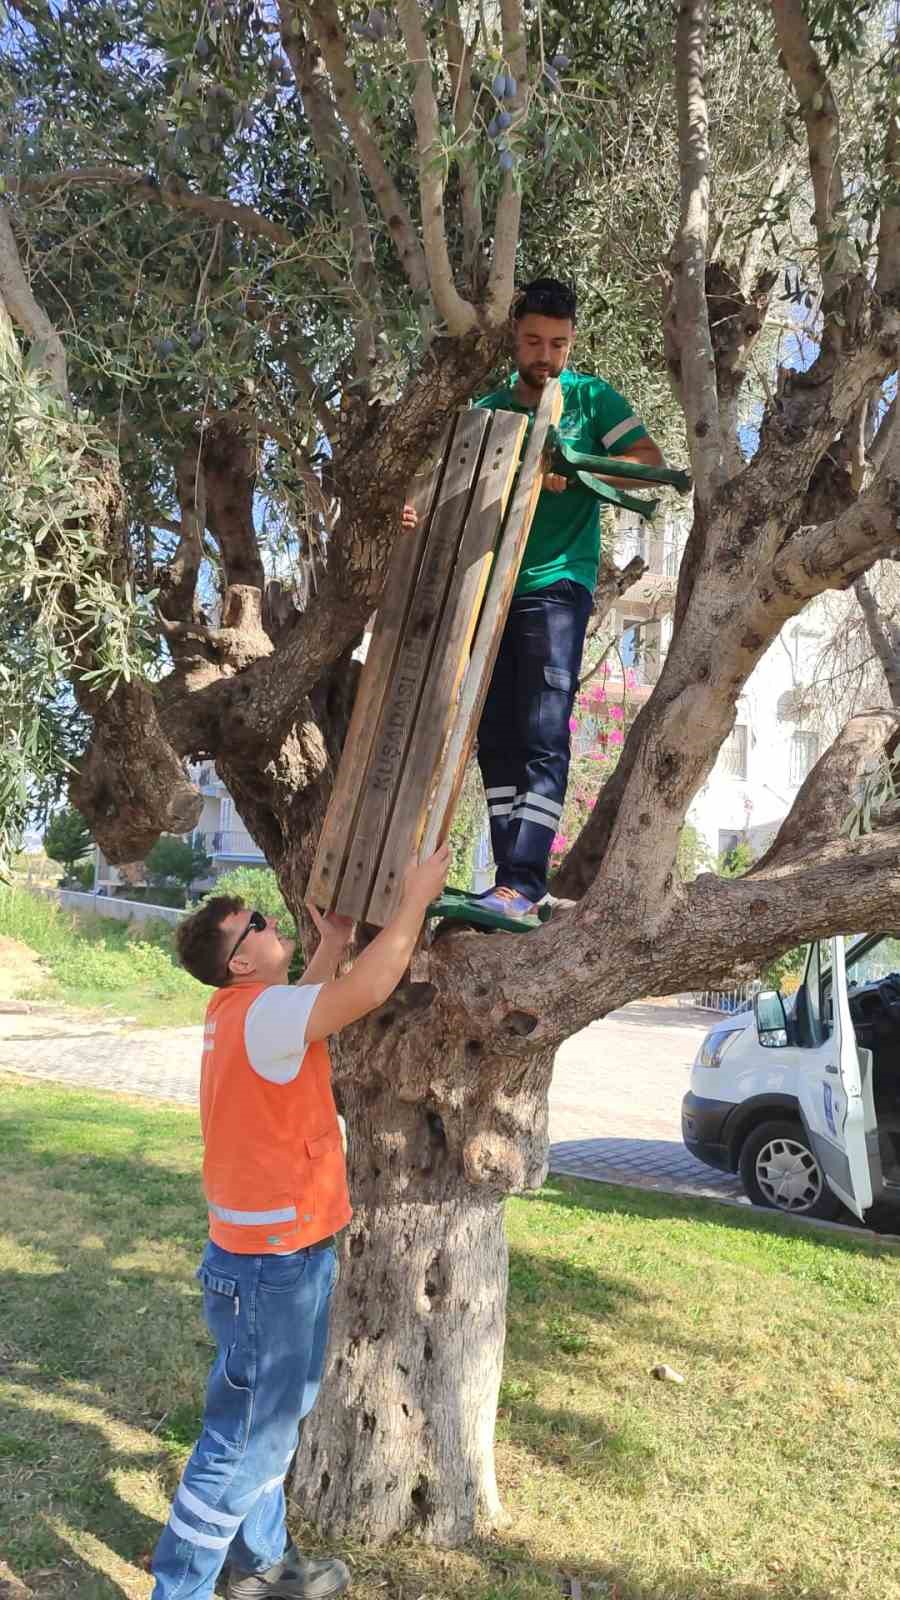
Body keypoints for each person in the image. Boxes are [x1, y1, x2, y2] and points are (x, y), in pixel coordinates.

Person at [150, 843, 450, 1600]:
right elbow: (371, 988)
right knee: (245, 1440)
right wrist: (414, 897)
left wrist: (333, 944)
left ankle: (265, 1570)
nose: (265, 916)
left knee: (272, 1421)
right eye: (253, 921)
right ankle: (178, 1588)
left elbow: (306, 1014)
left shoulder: (247, 1013)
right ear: (241, 962)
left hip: (270, 1251)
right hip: (272, 1262)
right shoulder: (263, 1013)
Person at [403, 277, 663, 918]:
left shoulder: (591, 398)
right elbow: (444, 482)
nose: (545, 356)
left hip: (557, 585)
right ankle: (505, 883)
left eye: (558, 344)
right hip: (488, 593)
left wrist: (572, 464)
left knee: (544, 731)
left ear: (572, 344)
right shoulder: (490, 408)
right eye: (533, 341)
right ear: (514, 339)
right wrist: (414, 508)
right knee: (493, 736)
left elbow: (648, 461)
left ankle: (525, 879)